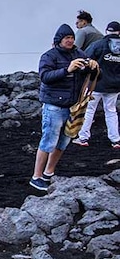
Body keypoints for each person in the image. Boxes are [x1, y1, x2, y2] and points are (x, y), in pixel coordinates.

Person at [31, 24, 99, 191]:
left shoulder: (79, 54)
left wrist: (94, 68)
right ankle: (36, 177)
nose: (70, 40)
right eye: (67, 38)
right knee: (48, 141)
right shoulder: (49, 56)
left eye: (72, 38)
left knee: (64, 141)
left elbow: (90, 76)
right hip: (54, 106)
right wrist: (67, 70)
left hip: (72, 107)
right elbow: (45, 77)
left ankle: (49, 172)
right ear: (59, 40)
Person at [74, 21, 120, 149]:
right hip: (115, 85)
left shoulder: (98, 45)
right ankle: (115, 140)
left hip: (96, 83)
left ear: (106, 31)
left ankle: (83, 138)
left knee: (89, 110)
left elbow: (85, 59)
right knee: (111, 111)